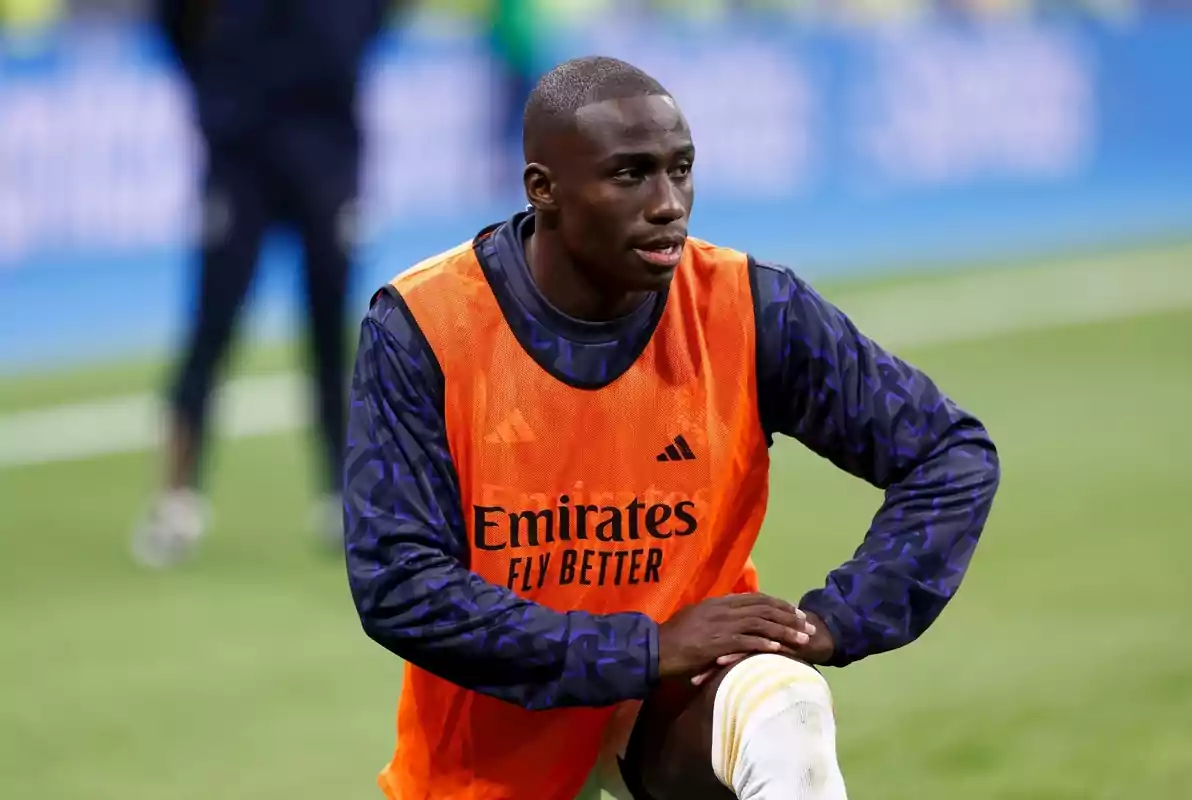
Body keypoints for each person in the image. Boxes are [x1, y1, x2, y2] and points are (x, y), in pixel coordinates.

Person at [343, 56, 1001, 800]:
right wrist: (640, 647)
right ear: (543, 188)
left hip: (677, 706)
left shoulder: (751, 307)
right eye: (631, 175)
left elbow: (948, 455)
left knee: (784, 707)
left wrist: (838, 621)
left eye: (680, 170)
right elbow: (399, 583)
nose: (668, 204)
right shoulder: (425, 326)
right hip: (494, 749)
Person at [132, 0, 388, 566]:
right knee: (210, 325)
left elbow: (378, 17)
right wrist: (220, 90)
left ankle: (340, 495)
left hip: (326, 151)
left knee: (332, 329)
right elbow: (173, 22)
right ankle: (176, 499)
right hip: (240, 152)